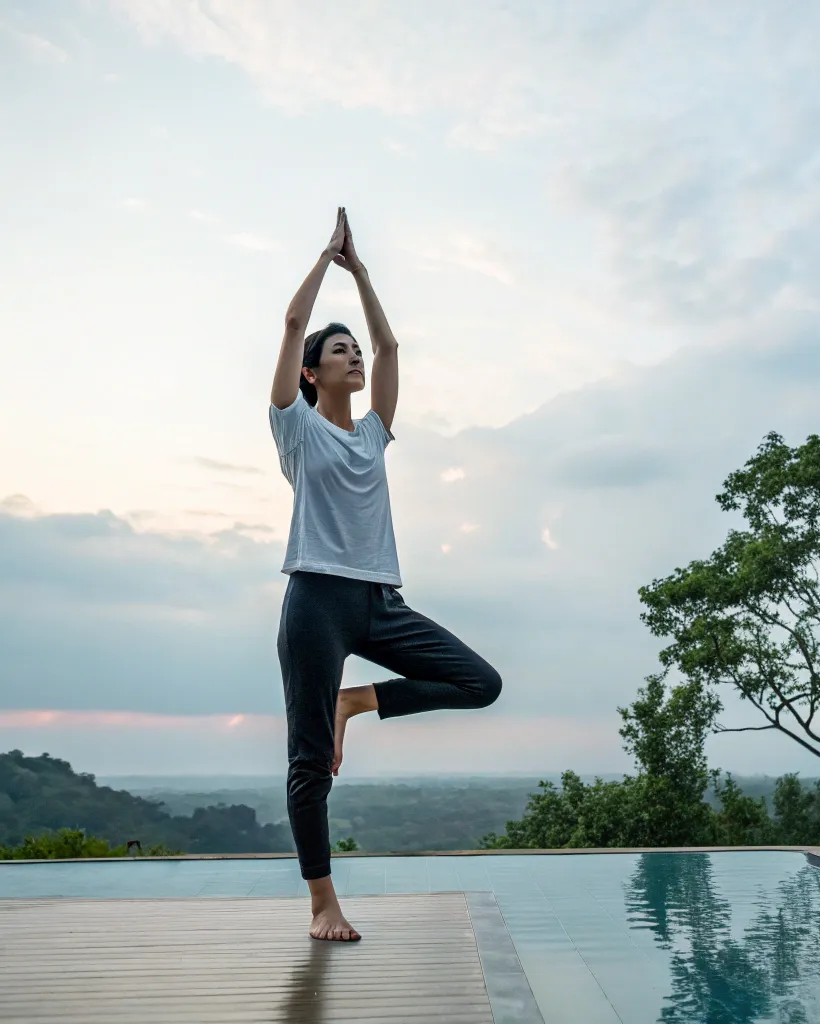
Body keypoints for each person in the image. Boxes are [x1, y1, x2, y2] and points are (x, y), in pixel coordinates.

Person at [269, 208, 502, 941]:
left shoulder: (372, 433)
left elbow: (392, 343)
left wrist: (362, 273)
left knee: (481, 682)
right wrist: (322, 257)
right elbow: (289, 322)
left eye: (353, 351)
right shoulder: (295, 427)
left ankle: (358, 700)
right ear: (313, 373)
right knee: (309, 762)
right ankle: (322, 904)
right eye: (339, 351)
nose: (355, 357)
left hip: (379, 602)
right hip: (316, 602)